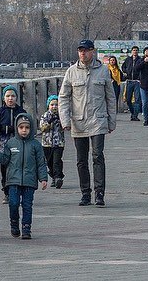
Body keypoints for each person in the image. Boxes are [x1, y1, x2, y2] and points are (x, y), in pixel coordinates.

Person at [59, 39, 116, 207]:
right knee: (81, 159)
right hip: (79, 122)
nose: (82, 53)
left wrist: (111, 121)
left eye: (85, 50)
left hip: (98, 121)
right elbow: (63, 97)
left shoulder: (103, 71)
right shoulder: (71, 72)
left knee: (98, 156)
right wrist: (65, 120)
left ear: (93, 52)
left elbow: (110, 98)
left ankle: (99, 193)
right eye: (80, 50)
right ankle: (85, 193)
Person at [0, 114, 48, 240]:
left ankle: (26, 228)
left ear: (31, 129)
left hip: (29, 181)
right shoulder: (11, 143)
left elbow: (41, 163)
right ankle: (14, 223)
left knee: (27, 205)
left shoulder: (35, 145)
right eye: (21, 127)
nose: (24, 130)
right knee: (13, 203)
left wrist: (43, 178)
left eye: (27, 127)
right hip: (13, 180)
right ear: (17, 128)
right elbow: (5, 159)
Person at [0, 85, 26, 203]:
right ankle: (6, 192)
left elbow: (26, 126)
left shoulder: (21, 112)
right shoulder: (0, 112)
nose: (10, 98)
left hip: (18, 143)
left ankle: (18, 191)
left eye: (13, 96)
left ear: (17, 98)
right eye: (8, 96)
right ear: (3, 98)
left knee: (18, 168)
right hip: (4, 145)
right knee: (5, 169)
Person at [39, 95, 65, 189]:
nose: (54, 107)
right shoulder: (45, 115)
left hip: (59, 142)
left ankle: (58, 177)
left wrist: (60, 121)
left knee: (56, 161)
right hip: (47, 143)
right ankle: (53, 176)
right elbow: (42, 128)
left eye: (56, 105)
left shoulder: (61, 115)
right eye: (52, 104)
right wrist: (49, 123)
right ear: (48, 105)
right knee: (49, 161)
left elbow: (65, 126)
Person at [121, 46, 142, 121]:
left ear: (138, 51)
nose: (135, 51)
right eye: (134, 50)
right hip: (129, 81)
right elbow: (123, 67)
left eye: (136, 50)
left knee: (137, 99)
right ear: (131, 51)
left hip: (137, 81)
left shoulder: (140, 60)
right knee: (128, 99)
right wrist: (127, 71)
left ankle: (135, 115)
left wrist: (140, 77)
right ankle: (133, 113)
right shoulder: (128, 59)